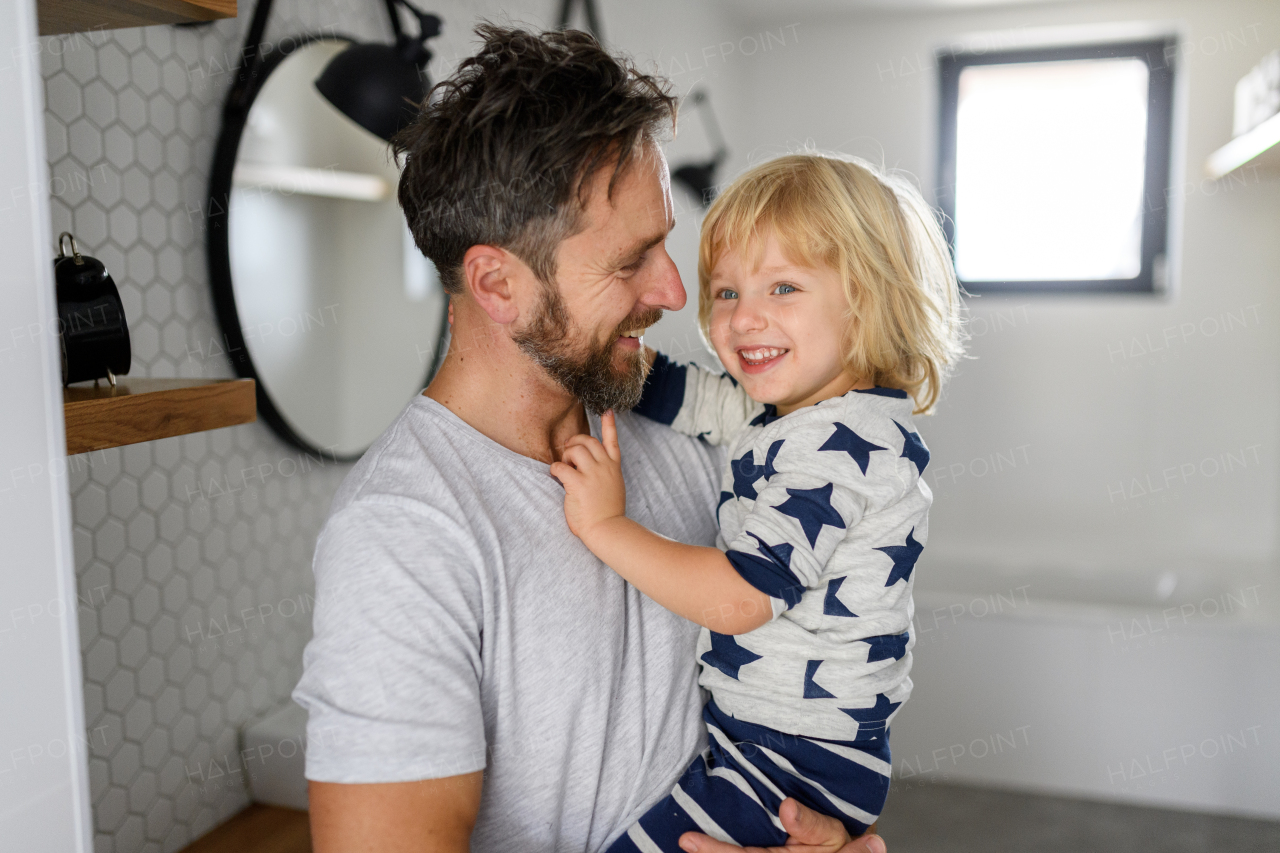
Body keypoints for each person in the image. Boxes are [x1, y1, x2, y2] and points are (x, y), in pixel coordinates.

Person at [291, 25, 888, 853]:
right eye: (631, 260)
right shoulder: (403, 536)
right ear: (498, 283)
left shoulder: (681, 429)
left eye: (668, 243)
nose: (677, 292)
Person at [551, 154, 965, 851]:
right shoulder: (795, 411)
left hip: (799, 756)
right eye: (726, 292)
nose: (745, 320)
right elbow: (691, 396)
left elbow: (742, 598)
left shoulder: (840, 445)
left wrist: (606, 525)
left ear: (864, 299)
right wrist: (601, 348)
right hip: (785, 739)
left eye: (782, 287)